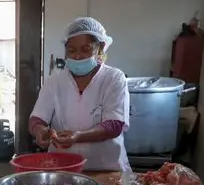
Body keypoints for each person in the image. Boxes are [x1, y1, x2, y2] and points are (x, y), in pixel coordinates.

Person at [28, 17, 129, 171]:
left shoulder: (113, 78)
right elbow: (37, 118)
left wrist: (79, 136)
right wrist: (39, 131)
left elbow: (115, 125)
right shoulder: (54, 81)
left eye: (86, 49)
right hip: (62, 168)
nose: (77, 56)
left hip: (105, 168)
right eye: (72, 50)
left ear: (100, 47)